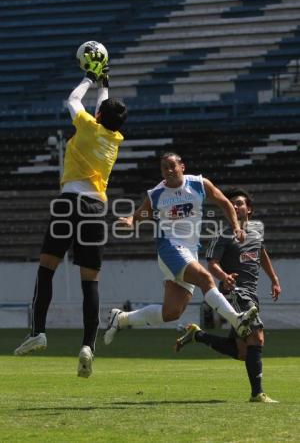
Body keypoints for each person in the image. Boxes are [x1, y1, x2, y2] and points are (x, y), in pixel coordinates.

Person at [14, 47, 128, 379]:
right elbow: (102, 108)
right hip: (96, 208)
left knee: (46, 268)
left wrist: (89, 78)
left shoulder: (87, 128)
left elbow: (72, 101)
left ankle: (38, 331)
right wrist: (106, 83)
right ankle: (88, 345)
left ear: (99, 118)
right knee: (90, 279)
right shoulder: (113, 138)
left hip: (68, 204)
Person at [103, 154, 258, 345]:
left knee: (171, 312)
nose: (168, 171)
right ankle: (237, 320)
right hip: (169, 247)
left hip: (189, 252)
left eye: (172, 166)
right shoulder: (157, 193)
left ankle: (120, 319)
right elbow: (143, 212)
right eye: (164, 168)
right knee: (205, 278)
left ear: (182, 167)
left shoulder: (199, 184)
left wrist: (236, 227)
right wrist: (131, 220)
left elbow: (225, 203)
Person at [176, 187, 281, 403]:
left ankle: (197, 335)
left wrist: (274, 279)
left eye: (240, 203)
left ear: (248, 209)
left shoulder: (255, 232)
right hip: (235, 293)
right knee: (256, 337)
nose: (235, 206)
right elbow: (211, 262)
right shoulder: (223, 234)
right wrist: (224, 276)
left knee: (243, 351)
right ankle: (257, 394)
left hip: (251, 294)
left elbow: (262, 253)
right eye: (231, 204)